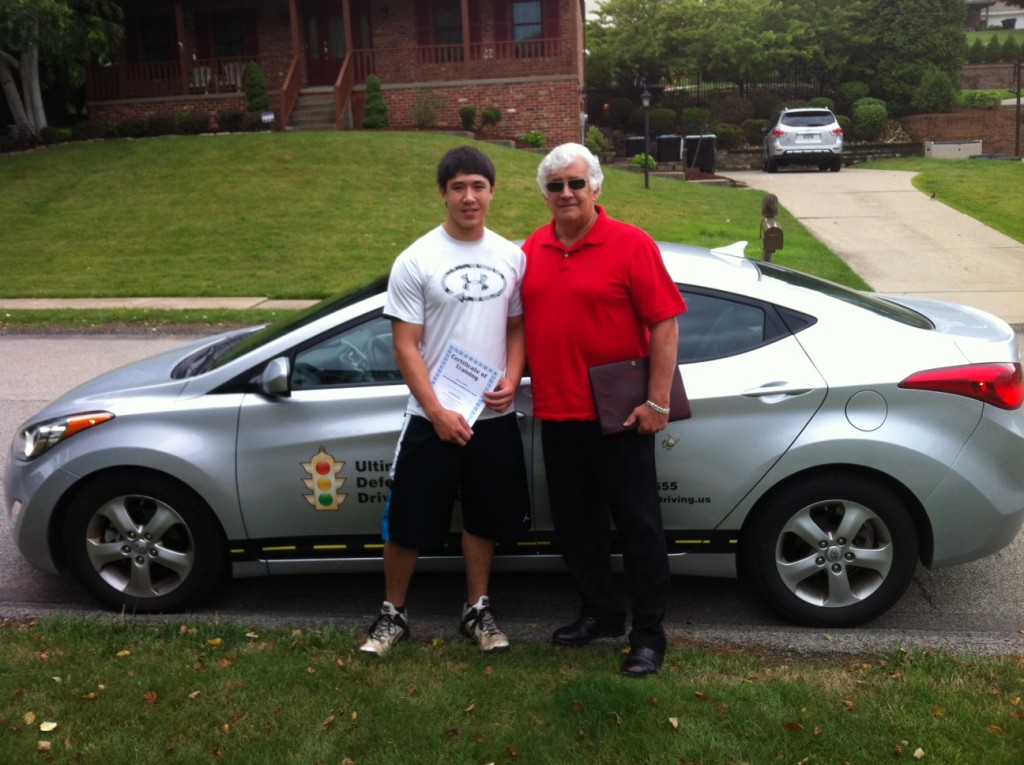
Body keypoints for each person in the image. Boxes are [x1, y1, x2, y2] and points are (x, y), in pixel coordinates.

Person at [520, 143, 687, 677]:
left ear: (595, 187)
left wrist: (657, 401)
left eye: (575, 183)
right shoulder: (531, 249)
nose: (565, 193)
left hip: (621, 417)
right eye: (555, 185)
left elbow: (665, 324)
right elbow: (521, 326)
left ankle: (648, 635)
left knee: (639, 529)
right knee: (576, 528)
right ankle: (601, 612)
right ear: (545, 194)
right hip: (557, 413)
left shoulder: (631, 244)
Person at [360, 145, 531, 656]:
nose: (469, 196)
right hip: (431, 415)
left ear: (493, 191)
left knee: (484, 518)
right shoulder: (417, 259)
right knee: (409, 521)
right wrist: (434, 411)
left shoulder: (511, 256)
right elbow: (405, 344)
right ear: (443, 193)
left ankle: (476, 609)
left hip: (492, 414)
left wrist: (515, 377)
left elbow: (517, 328)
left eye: (478, 185)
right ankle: (393, 614)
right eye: (458, 187)